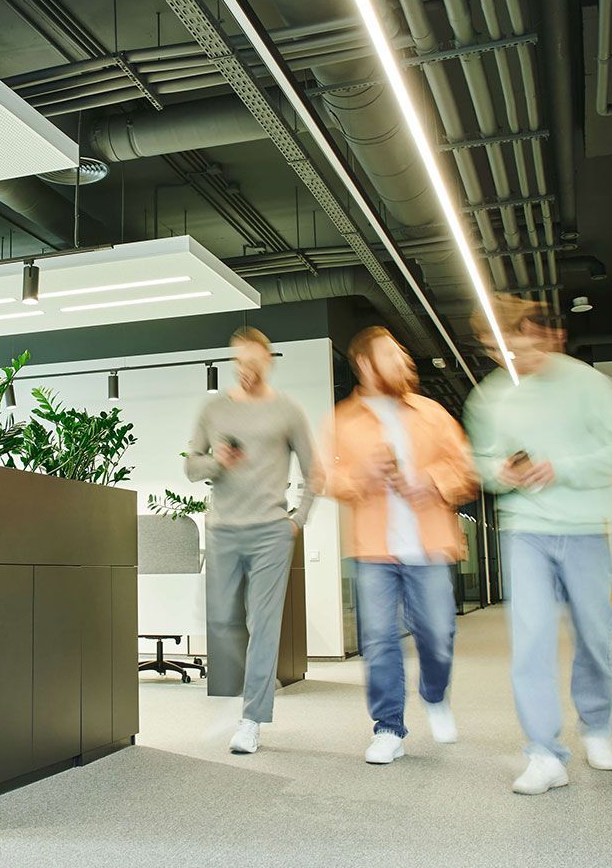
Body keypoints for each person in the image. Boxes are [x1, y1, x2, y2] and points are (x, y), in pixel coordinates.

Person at [464, 297, 612, 795]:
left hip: (585, 527)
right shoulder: (490, 399)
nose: (508, 360)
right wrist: (498, 472)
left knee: (594, 632)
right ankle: (544, 753)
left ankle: (597, 725)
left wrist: (560, 466)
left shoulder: (590, 385)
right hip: (526, 529)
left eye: (514, 345)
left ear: (536, 332)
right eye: (496, 352)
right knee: (531, 638)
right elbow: (482, 462)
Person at [319, 327, 478, 765]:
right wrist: (360, 478)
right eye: (393, 354)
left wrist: (432, 482)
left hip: (429, 548)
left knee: (438, 636)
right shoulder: (342, 421)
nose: (405, 361)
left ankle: (434, 693)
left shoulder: (430, 413)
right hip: (375, 552)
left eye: (403, 353)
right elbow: (325, 478)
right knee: (379, 640)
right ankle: (388, 727)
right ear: (367, 365)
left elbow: (466, 471)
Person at [185, 326, 316, 755]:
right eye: (239, 361)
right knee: (222, 618)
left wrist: (297, 519)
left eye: (253, 361)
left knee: (264, 624)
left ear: (268, 362)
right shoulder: (213, 409)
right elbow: (191, 467)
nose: (246, 369)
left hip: (270, 532)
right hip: (222, 528)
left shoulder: (288, 411)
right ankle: (250, 688)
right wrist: (216, 461)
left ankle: (251, 716)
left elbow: (315, 472)